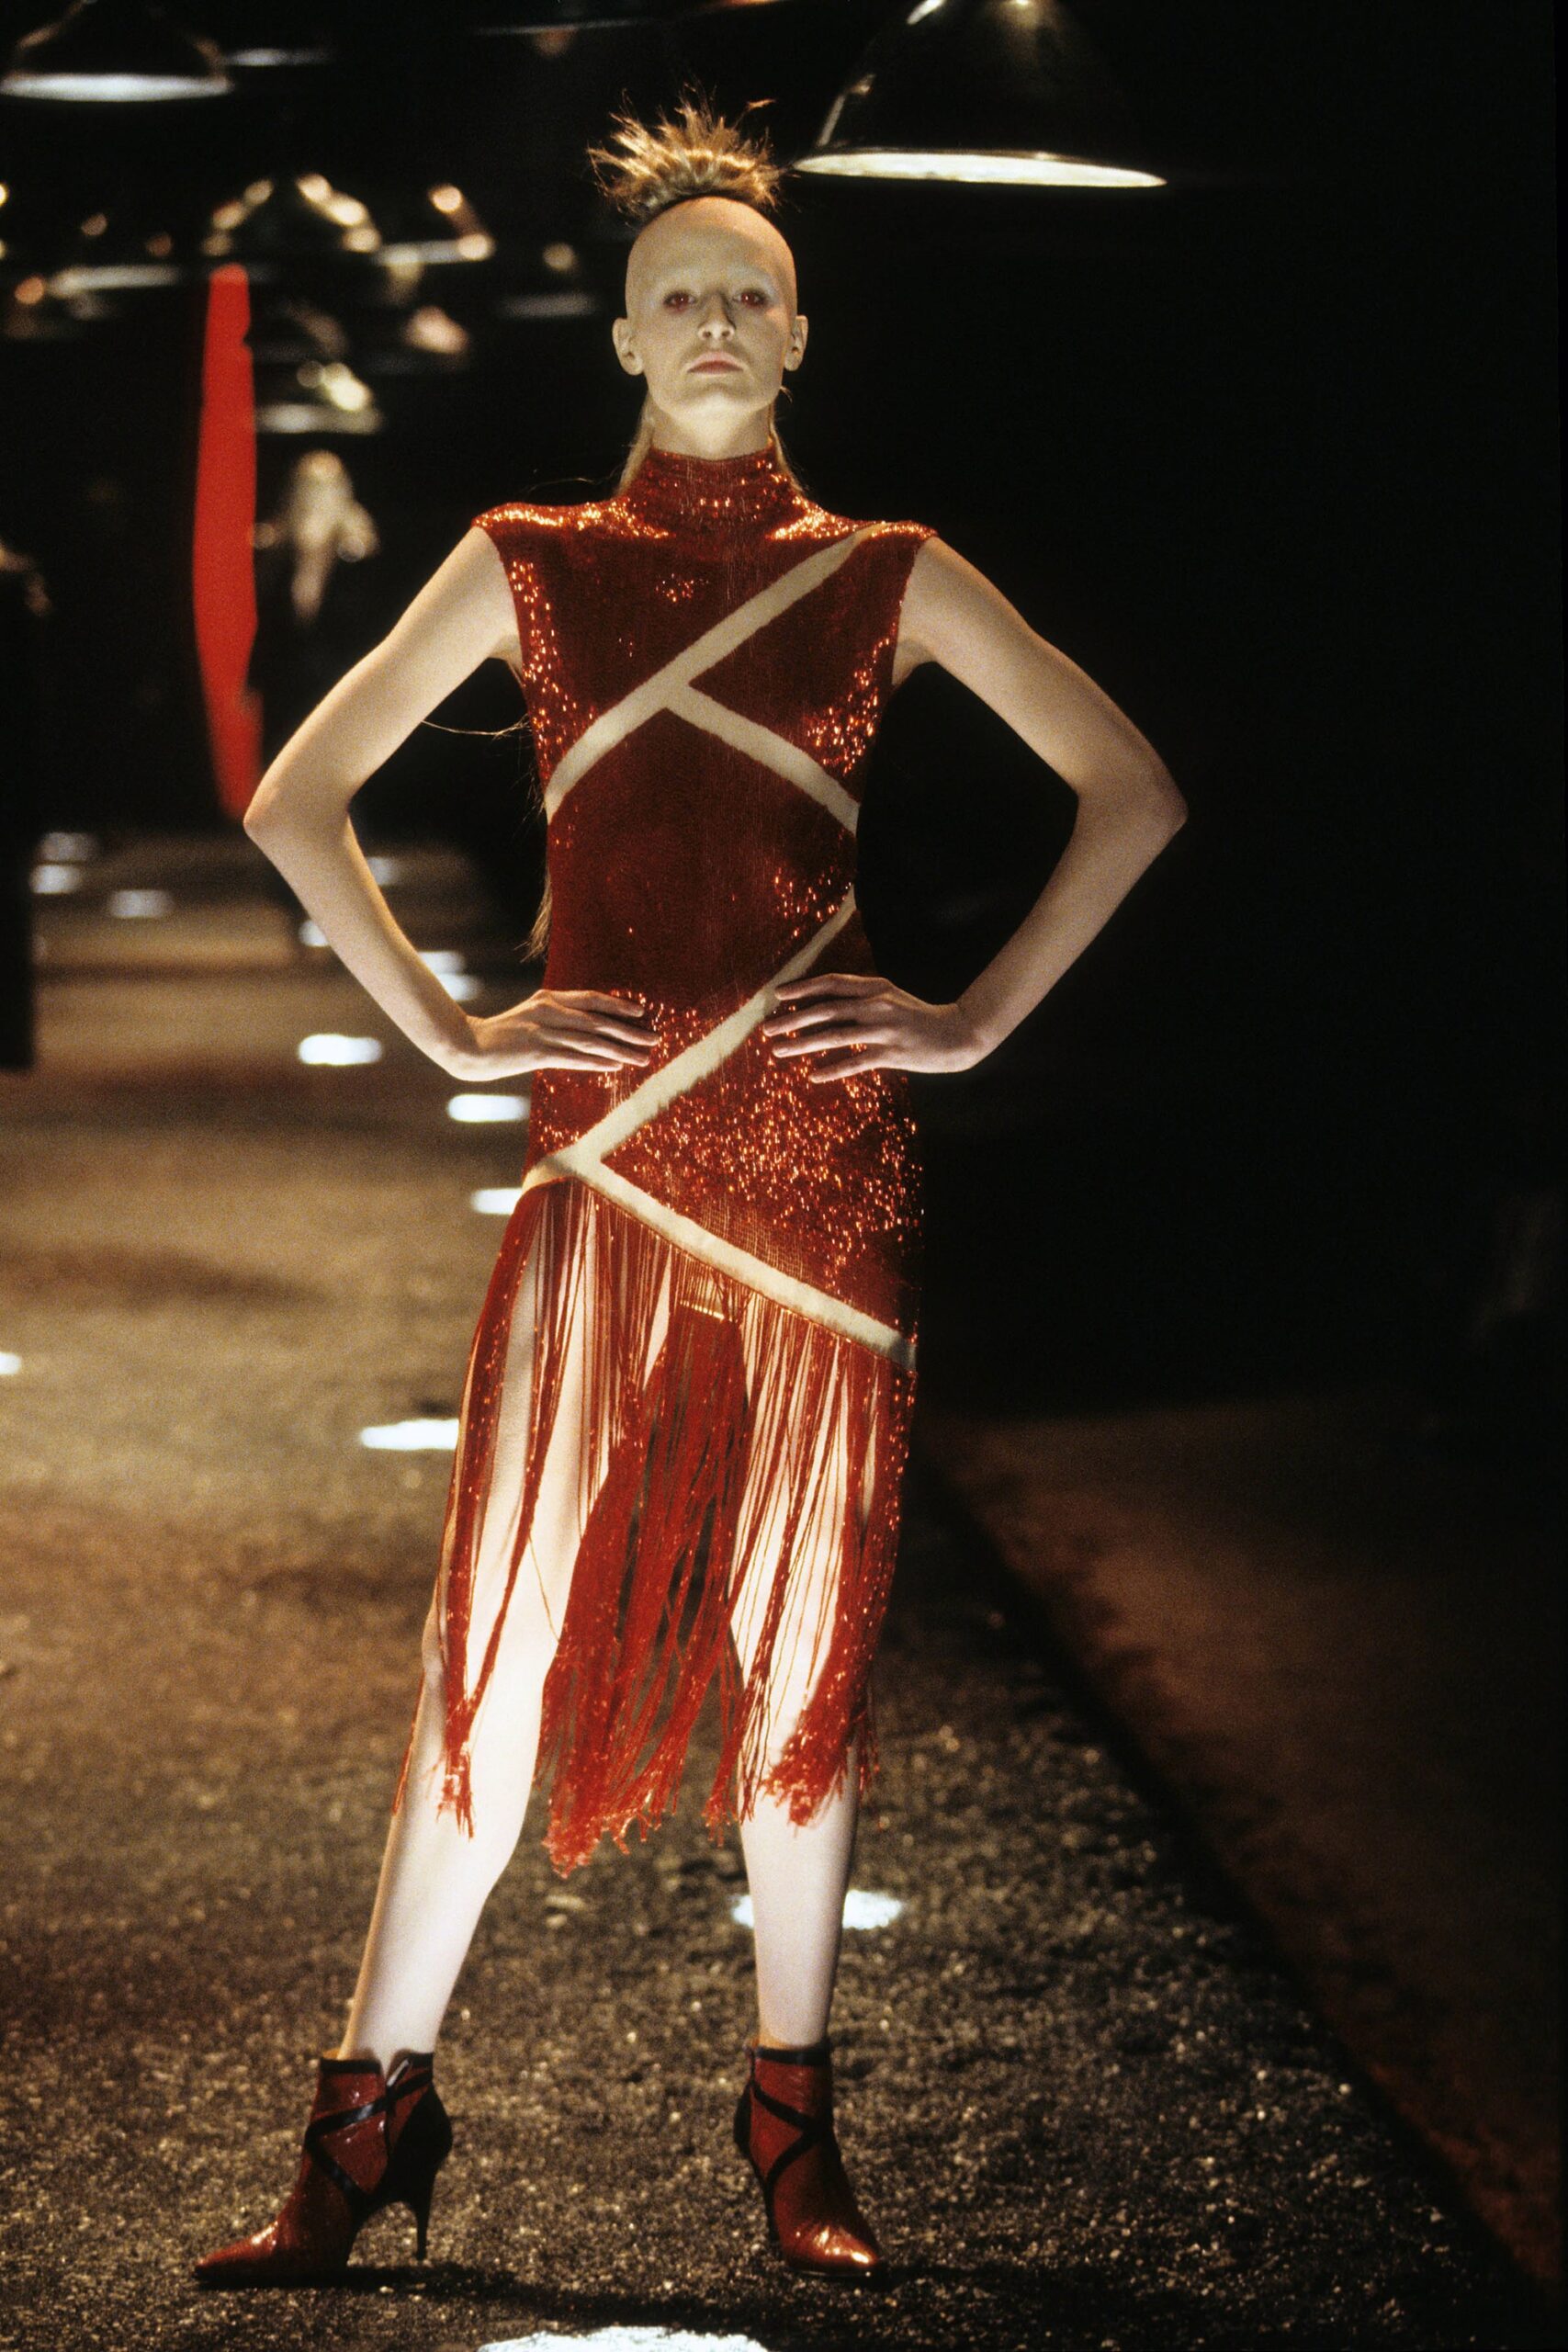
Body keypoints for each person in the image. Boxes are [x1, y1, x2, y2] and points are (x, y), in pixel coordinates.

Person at [193, 90, 1186, 2291]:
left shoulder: (884, 570)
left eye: (750, 289)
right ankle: (362, 2119)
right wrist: (455, 1030)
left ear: (797, 333)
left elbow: (1128, 788)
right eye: (680, 294)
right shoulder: (531, 559)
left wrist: (970, 1018)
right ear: (628, 337)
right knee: (495, 1629)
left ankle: (792, 2124)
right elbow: (292, 798)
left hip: (824, 1180)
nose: (717, 316)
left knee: (795, 1648)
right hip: (600, 1167)